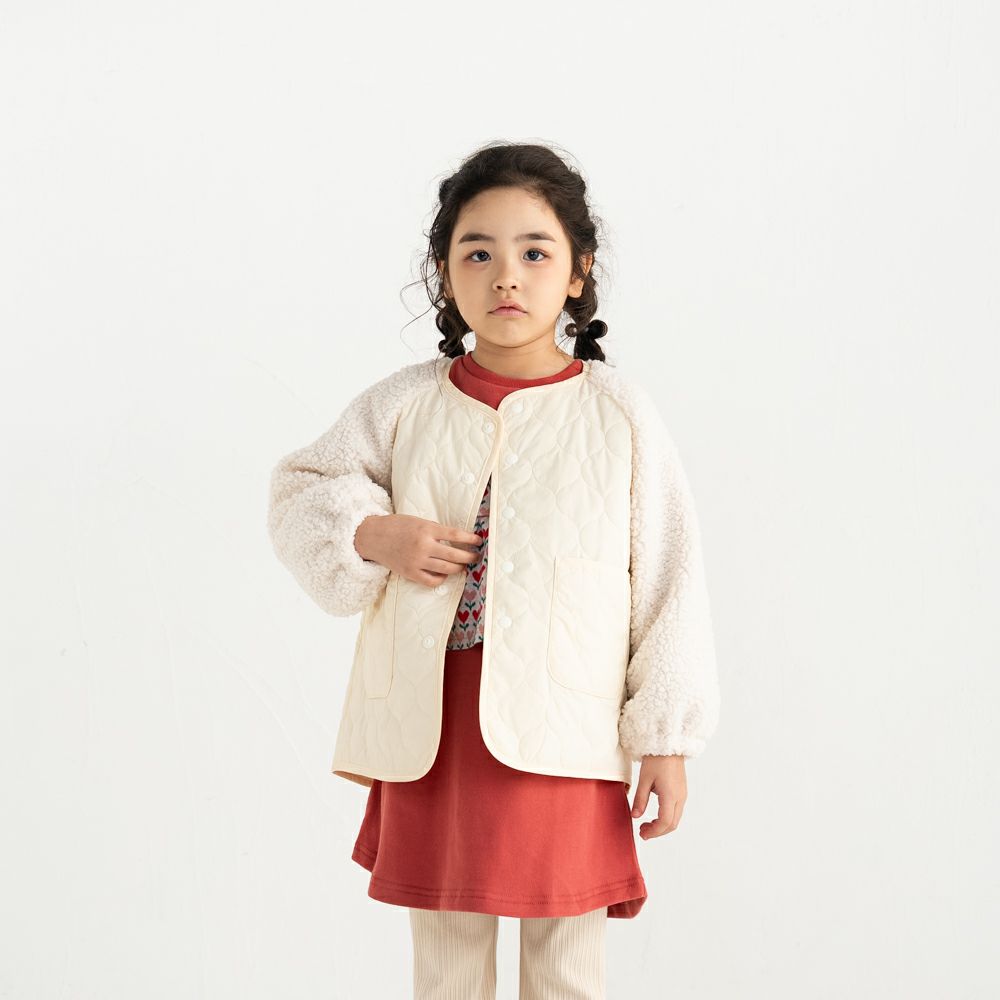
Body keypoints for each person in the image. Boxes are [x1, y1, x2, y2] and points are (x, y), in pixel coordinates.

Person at [267, 140, 720, 1000]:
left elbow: (670, 573)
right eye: (477, 253)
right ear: (444, 274)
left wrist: (666, 735)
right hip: (433, 732)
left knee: (566, 968)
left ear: (579, 271)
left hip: (570, 731)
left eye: (535, 253)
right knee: (446, 968)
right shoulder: (404, 403)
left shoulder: (620, 414)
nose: (506, 276)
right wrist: (374, 533)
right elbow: (302, 488)